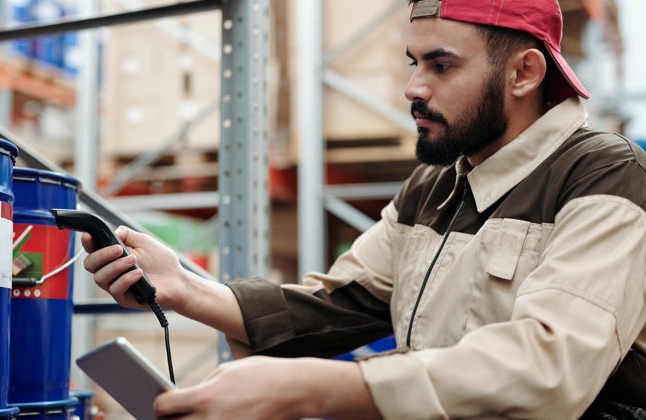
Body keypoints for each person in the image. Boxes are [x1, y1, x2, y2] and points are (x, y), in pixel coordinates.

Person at [82, 0, 646, 418]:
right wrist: (183, 286)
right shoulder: (433, 185)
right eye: (412, 62)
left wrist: (310, 388)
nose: (413, 88)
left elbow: (551, 367)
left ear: (525, 72)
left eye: (441, 66)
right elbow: (344, 303)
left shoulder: (606, 178)